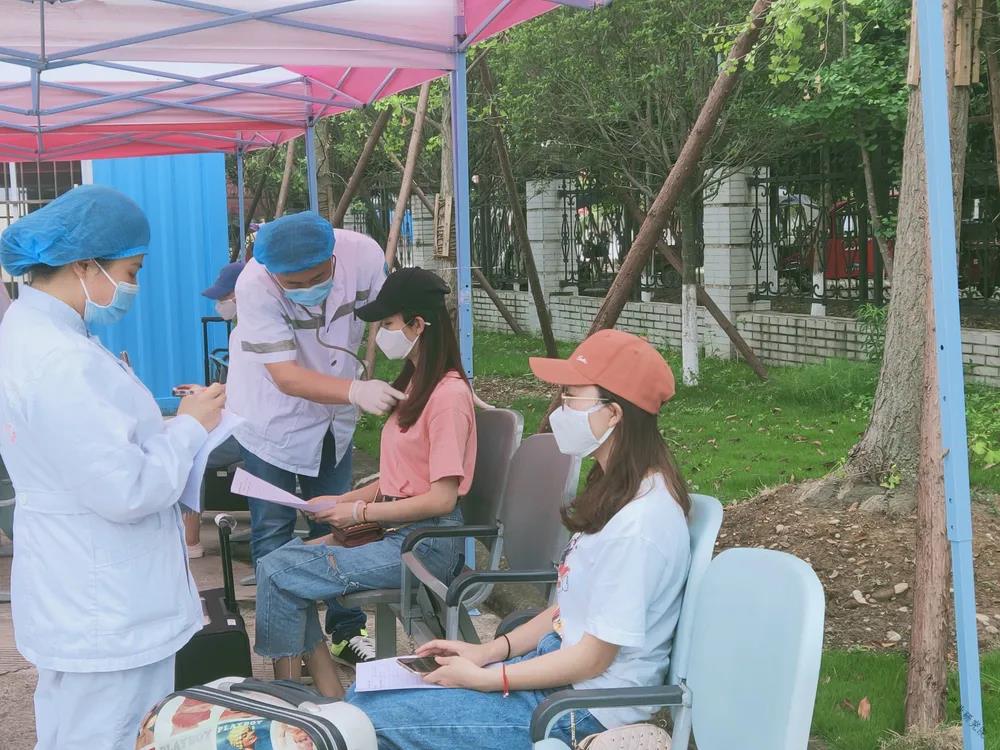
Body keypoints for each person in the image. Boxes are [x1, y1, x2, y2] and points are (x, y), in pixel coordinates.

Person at [347, 329, 692, 750]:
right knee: (365, 695)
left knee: (367, 722)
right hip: (554, 677)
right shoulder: (618, 492)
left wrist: (489, 679)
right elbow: (566, 611)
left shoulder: (640, 525)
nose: (560, 408)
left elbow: (593, 658)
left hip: (577, 710)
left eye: (571, 396)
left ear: (614, 414)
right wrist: (486, 653)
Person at [0, 185, 226, 749]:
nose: (133, 287)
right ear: (83, 264)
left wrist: (168, 431)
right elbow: (127, 489)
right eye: (131, 271)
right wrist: (191, 426)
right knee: (108, 734)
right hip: (105, 602)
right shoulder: (61, 359)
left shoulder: (37, 333)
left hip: (81, 586)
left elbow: (97, 449)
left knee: (73, 732)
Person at [253, 267, 476, 699]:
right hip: (401, 534)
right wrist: (339, 500)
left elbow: (441, 499)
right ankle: (325, 695)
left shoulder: (447, 397)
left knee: (280, 572)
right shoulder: (415, 384)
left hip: (427, 546)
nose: (380, 335)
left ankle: (291, 694)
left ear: (417, 325)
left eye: (388, 324)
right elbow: (398, 480)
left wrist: (359, 512)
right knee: (277, 564)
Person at [226, 210, 400, 666]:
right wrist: (356, 390)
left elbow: (395, 315)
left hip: (331, 419)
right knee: (273, 531)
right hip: (271, 418)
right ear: (272, 273)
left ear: (333, 256)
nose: (307, 288)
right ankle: (289, 650)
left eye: (318, 277)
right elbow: (285, 377)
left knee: (341, 523)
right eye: (294, 284)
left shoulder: (363, 255)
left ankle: (346, 633)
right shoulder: (254, 284)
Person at [181, 260, 246, 559]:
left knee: (193, 452)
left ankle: (190, 541)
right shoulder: (242, 331)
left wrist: (215, 395)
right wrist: (211, 392)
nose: (220, 305)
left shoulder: (253, 333)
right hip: (244, 421)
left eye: (224, 297)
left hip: (252, 430)